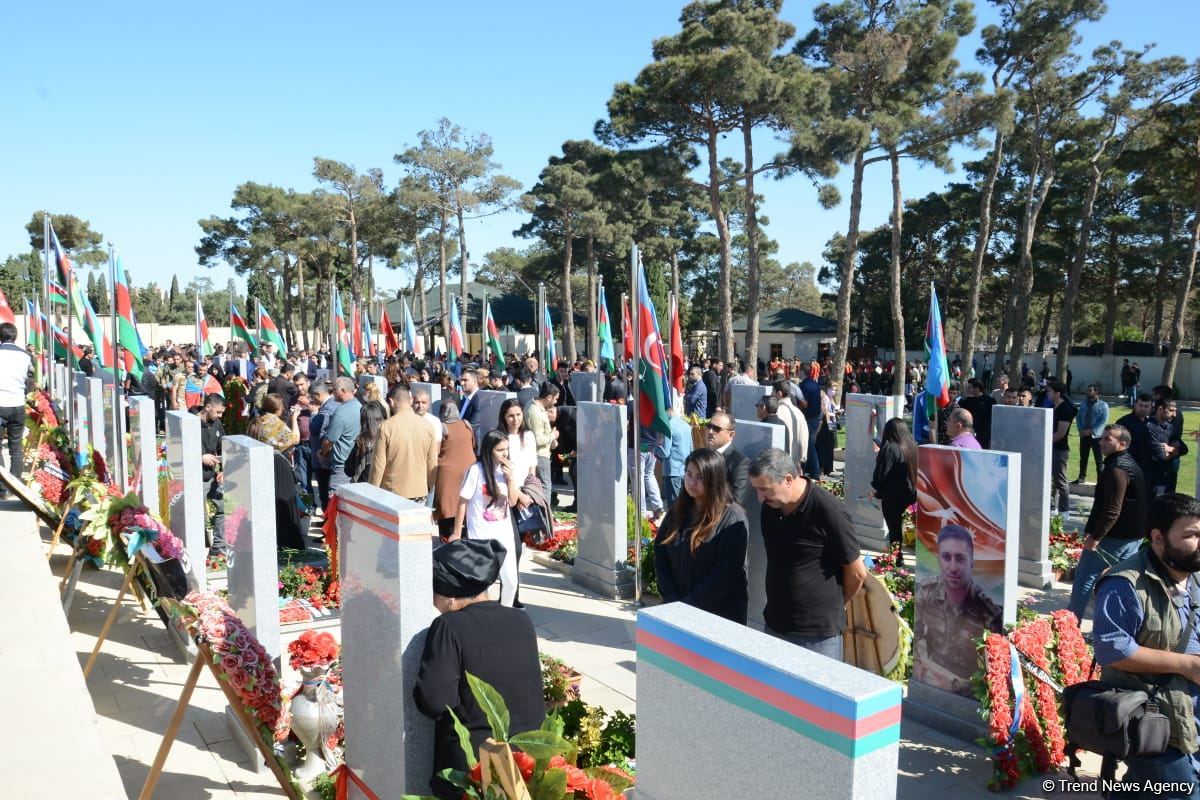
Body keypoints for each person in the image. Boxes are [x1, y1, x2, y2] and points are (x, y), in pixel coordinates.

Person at [413, 538, 543, 800]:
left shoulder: (448, 627)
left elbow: (435, 701)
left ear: (450, 595)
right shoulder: (521, 619)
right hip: (526, 758)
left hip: (475, 766)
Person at [1093, 493, 1200, 796]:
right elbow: (1113, 648)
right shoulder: (1124, 584)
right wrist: (1189, 665)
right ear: (1158, 537)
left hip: (1192, 712)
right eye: (1191, 535)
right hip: (1154, 718)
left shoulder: (1192, 574)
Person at [748, 448, 867, 660]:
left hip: (816, 635)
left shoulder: (827, 509)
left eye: (765, 490)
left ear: (787, 479)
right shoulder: (771, 507)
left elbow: (857, 572)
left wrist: (830, 606)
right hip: (775, 624)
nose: (760, 498)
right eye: (757, 490)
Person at [654, 448, 749, 624]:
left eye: (700, 477)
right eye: (689, 474)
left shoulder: (732, 517)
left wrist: (690, 605)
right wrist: (672, 598)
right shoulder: (678, 509)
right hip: (679, 609)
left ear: (714, 480)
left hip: (718, 616)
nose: (692, 482)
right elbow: (661, 552)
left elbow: (726, 573)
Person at [1067, 424, 1148, 620]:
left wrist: (1095, 537)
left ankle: (1069, 628)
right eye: (1102, 438)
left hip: (1114, 537)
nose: (1101, 442)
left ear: (1122, 444)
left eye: (1107, 439)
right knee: (1124, 582)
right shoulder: (1126, 463)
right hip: (1131, 536)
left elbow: (1112, 510)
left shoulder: (1117, 469)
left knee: (1084, 578)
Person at [912, 525, 1004, 696]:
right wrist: (918, 664)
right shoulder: (926, 593)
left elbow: (993, 675)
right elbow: (918, 636)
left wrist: (956, 686)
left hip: (968, 701)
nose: (953, 567)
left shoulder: (989, 614)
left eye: (960, 559)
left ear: (972, 563)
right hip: (929, 685)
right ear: (939, 559)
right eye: (946, 557)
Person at [450, 430, 520, 607]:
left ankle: (505, 614)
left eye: (506, 449)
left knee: (511, 582)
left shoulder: (507, 470)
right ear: (489, 451)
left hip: (504, 535)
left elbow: (512, 502)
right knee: (482, 584)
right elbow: (462, 502)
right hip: (481, 536)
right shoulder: (476, 470)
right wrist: (457, 532)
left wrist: (510, 479)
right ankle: (483, 617)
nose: (505, 453)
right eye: (500, 450)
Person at [368, 384, 438, 501]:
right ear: (410, 401)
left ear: (391, 401)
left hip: (393, 491)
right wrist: (430, 486)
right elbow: (432, 461)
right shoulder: (428, 426)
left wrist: (372, 490)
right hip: (419, 490)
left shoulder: (386, 427)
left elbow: (378, 464)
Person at [870, 418, 919, 566]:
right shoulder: (914, 447)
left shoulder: (890, 448)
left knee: (894, 529)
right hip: (911, 494)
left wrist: (875, 490)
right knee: (902, 528)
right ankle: (896, 557)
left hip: (893, 497)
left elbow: (880, 475)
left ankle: (895, 558)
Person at [434, 401, 477, 541]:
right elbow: (474, 444)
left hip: (447, 475)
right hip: (468, 471)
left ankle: (446, 539)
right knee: (464, 507)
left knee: (447, 508)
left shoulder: (442, 427)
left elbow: (435, 451)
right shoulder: (466, 424)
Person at [319, 377, 361, 505]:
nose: (332, 392)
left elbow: (329, 441)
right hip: (354, 461)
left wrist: (322, 453)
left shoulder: (341, 412)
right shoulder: (359, 406)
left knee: (336, 502)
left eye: (334, 389)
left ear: (342, 391)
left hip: (341, 464)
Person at [0, 322, 31, 489]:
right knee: (16, 445)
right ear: (15, 336)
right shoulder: (25, 355)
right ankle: (16, 483)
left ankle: (2, 485)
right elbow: (30, 379)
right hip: (18, 403)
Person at [199, 393, 227, 557]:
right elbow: (179, 448)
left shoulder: (216, 423)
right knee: (199, 514)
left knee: (223, 507)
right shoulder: (190, 422)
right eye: (218, 412)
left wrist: (224, 468)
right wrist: (200, 457)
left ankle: (219, 546)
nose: (220, 416)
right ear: (208, 407)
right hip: (196, 477)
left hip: (212, 475)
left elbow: (224, 445)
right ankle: (199, 546)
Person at [524, 382, 559, 504]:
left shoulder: (538, 408)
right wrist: (552, 436)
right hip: (540, 455)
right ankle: (545, 516)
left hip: (542, 452)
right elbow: (538, 440)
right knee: (545, 486)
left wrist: (552, 440)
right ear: (549, 397)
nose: (555, 403)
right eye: (555, 399)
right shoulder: (535, 412)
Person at [654, 404, 695, 508]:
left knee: (674, 506)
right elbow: (691, 447)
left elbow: (665, 452)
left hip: (672, 471)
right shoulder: (685, 425)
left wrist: (654, 449)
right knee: (684, 504)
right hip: (685, 470)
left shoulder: (669, 427)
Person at [1148, 398, 1189, 499]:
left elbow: (1184, 449)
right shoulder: (1149, 427)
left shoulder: (1169, 427)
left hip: (1168, 478)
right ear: (1160, 409)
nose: (1174, 414)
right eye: (1171, 410)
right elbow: (1161, 455)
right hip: (1154, 480)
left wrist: (1171, 449)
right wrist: (1175, 450)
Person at [705, 411, 749, 506]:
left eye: (717, 429)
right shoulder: (700, 456)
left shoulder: (740, 463)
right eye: (709, 426)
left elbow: (736, 501)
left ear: (731, 435)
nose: (710, 431)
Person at [308, 380, 339, 513]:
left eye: (313, 397)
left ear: (319, 394)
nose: (312, 400)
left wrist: (314, 413)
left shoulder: (327, 408)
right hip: (327, 457)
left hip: (323, 457)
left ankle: (326, 521)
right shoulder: (335, 404)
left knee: (324, 492)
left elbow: (315, 429)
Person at [1048, 381, 1076, 517]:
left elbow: (1060, 433)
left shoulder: (1065, 409)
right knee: (1049, 478)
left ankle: (1064, 509)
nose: (1048, 394)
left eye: (1050, 391)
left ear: (1057, 394)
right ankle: (1052, 505)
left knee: (1060, 479)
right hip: (1051, 447)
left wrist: (1044, 442)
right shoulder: (1054, 406)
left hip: (1059, 449)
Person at [342, 400, 388, 483]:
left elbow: (348, 470)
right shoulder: (390, 439)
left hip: (366, 489)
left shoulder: (362, 442)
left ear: (363, 422)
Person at [1074, 383, 1109, 485]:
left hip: (1097, 437)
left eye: (1090, 390)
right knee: (1083, 458)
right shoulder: (1083, 404)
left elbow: (1104, 420)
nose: (1087, 392)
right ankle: (1081, 477)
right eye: (1087, 390)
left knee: (1099, 459)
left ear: (1096, 392)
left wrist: (1092, 431)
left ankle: (1101, 480)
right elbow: (1078, 417)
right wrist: (1081, 430)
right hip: (1084, 436)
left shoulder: (1103, 405)